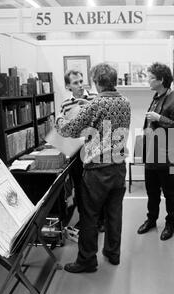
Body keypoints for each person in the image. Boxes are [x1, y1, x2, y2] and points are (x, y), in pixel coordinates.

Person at [56, 63, 131, 273]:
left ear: (97, 83)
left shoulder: (94, 104)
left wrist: (60, 118)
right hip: (119, 167)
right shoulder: (125, 102)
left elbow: (69, 130)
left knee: (89, 216)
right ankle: (112, 253)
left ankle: (87, 260)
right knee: (114, 214)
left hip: (97, 170)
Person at [136, 62, 174, 241]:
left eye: (150, 78)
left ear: (161, 80)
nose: (147, 81)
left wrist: (160, 118)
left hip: (169, 158)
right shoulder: (156, 97)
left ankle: (170, 223)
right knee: (152, 192)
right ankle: (151, 220)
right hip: (152, 156)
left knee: (170, 192)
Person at [60, 70, 105, 232]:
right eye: (75, 83)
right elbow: (65, 129)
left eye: (81, 81)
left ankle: (101, 219)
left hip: (94, 151)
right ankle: (84, 220)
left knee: (96, 187)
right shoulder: (65, 104)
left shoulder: (95, 98)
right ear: (68, 86)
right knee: (79, 188)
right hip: (76, 153)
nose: (80, 85)